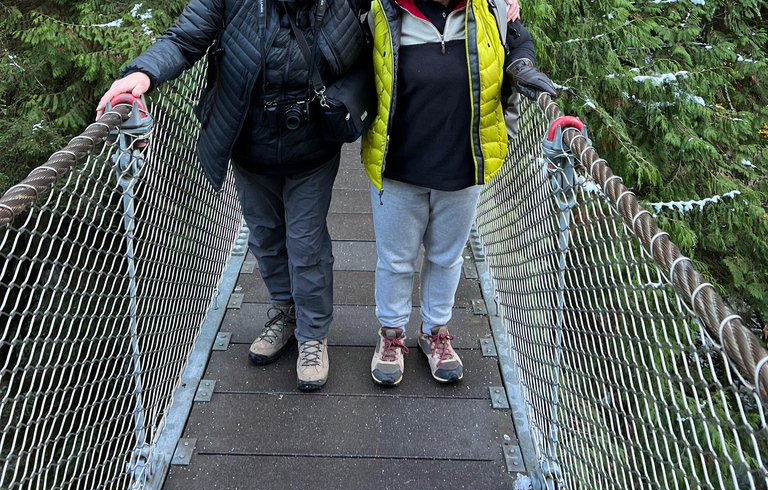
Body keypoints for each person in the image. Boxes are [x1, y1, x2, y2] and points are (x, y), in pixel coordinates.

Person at [97, 0, 371, 390]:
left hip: (312, 148)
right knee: (265, 236)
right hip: (249, 146)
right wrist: (142, 73)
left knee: (306, 241)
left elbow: (384, 34)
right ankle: (285, 313)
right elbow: (184, 39)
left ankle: (312, 335)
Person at [361, 0, 556, 385]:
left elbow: (518, 42)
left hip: (465, 161)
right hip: (398, 161)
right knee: (396, 259)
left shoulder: (492, 8)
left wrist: (521, 67)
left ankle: (435, 332)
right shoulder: (382, 11)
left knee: (447, 256)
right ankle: (392, 334)